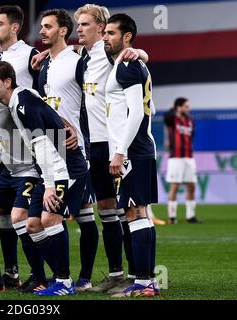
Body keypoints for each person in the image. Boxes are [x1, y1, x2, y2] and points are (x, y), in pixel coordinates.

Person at [0, 61, 88, 296]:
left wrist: (50, 185)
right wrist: (63, 123)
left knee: (50, 219)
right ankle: (58, 277)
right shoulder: (22, 97)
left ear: (7, 82)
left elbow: (42, 144)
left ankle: (64, 282)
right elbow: (46, 111)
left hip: (65, 168)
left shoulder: (21, 103)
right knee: (32, 224)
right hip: (50, 170)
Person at [74, 3, 151, 294]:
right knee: (106, 209)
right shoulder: (81, 57)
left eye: (84, 24)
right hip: (92, 142)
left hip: (113, 143)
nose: (78, 29)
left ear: (100, 27)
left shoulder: (111, 54)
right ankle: (116, 274)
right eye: (78, 24)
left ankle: (136, 275)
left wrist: (141, 52)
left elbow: (137, 59)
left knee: (127, 209)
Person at [36, 8, 97, 292]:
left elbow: (92, 102)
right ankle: (62, 277)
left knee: (81, 216)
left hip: (75, 148)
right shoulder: (44, 65)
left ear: (63, 30)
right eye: (41, 26)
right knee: (72, 214)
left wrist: (79, 131)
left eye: (48, 26)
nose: (42, 31)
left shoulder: (77, 62)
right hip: (50, 148)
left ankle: (81, 277)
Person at [103, 13, 159, 297]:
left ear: (126, 37)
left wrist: (120, 152)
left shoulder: (127, 65)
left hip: (133, 151)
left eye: (111, 33)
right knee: (141, 214)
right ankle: (147, 281)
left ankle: (145, 283)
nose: (105, 37)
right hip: (139, 149)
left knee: (135, 213)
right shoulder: (128, 62)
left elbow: (137, 112)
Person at [0, 4, 41, 287]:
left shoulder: (31, 55)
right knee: (5, 215)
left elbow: (42, 95)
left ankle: (49, 275)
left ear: (15, 27)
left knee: (26, 216)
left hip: (26, 146)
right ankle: (10, 272)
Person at [164, 97, 201, 224]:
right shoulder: (172, 119)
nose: (188, 109)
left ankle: (190, 216)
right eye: (186, 107)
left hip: (189, 157)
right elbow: (166, 116)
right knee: (175, 185)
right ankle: (172, 217)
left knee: (192, 185)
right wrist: (175, 110)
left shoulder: (190, 120)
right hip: (176, 157)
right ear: (178, 107)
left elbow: (191, 137)